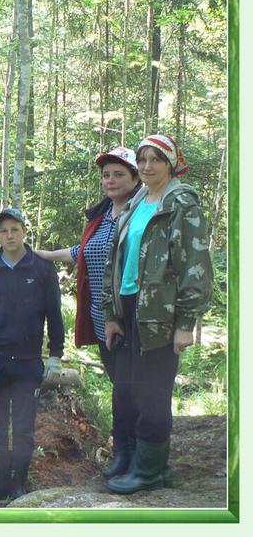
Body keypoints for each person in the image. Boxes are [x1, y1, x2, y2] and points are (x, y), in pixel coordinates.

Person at [102, 135, 213, 494]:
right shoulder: (137, 201)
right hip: (132, 306)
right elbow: (116, 259)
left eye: (156, 160)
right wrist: (113, 314)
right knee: (131, 388)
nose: (148, 166)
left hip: (161, 313)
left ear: (171, 163)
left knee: (153, 392)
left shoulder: (182, 202)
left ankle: (147, 472)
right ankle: (155, 466)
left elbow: (195, 265)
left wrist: (186, 323)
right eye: (143, 159)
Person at [33, 146, 141, 479]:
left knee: (130, 388)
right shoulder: (102, 214)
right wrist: (41, 254)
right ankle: (124, 451)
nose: (110, 180)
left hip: (131, 318)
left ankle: (133, 455)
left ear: (136, 178)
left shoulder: (141, 213)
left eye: (119, 174)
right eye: (106, 175)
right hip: (101, 319)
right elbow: (83, 252)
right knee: (120, 387)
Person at [0, 208, 65, 503]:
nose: (9, 235)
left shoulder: (41, 269)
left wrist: (55, 356)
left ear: (24, 231)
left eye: (14, 229)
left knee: (23, 426)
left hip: (27, 362)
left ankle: (18, 482)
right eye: (3, 231)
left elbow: (54, 315)